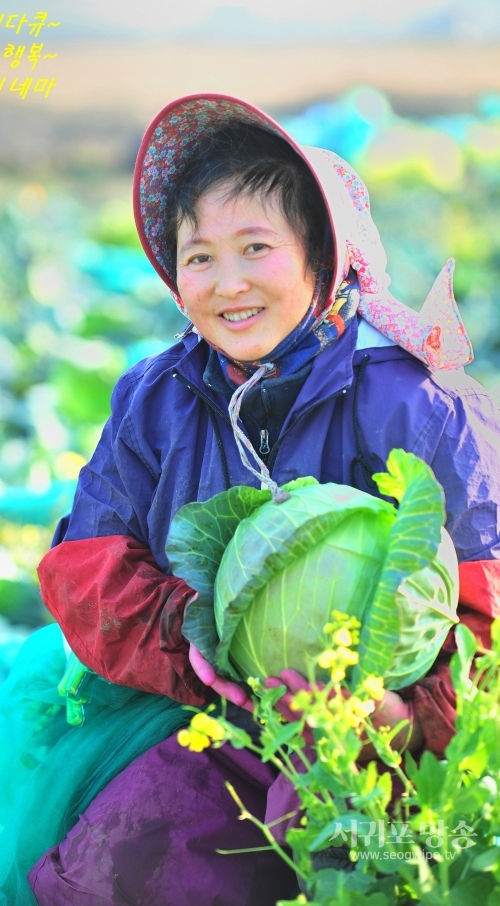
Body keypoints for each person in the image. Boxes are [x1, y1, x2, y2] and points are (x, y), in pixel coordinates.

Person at [25, 94, 500, 905]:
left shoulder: (422, 406)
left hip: (396, 751)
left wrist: (405, 711)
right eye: (199, 256)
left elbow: (485, 608)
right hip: (220, 723)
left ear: (323, 257)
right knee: (109, 876)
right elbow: (86, 569)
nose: (228, 283)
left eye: (256, 248)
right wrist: (210, 652)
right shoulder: (156, 397)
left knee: (373, 874)